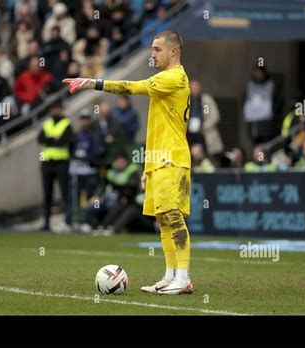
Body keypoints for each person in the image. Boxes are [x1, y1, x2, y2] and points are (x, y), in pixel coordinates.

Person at [63, 30, 193, 295]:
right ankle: (170, 276)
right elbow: (156, 129)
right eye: (152, 49)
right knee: (163, 220)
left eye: (157, 49)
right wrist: (147, 168)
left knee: (173, 217)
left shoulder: (174, 77)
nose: (152, 54)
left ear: (173, 52)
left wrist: (92, 83)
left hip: (172, 158)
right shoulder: (165, 80)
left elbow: (132, 87)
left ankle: (184, 278)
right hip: (157, 160)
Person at [37, 103, 76, 232]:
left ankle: (67, 222)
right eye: (53, 108)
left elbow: (67, 139)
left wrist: (50, 140)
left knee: (65, 193)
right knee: (47, 194)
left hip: (61, 162)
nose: (54, 110)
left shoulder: (66, 123)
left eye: (56, 108)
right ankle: (46, 223)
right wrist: (55, 139)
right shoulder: (47, 123)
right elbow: (40, 138)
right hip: (47, 162)